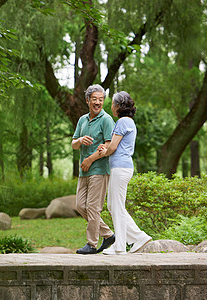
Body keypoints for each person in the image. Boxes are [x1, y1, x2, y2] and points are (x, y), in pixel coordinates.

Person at [97, 91, 152, 255]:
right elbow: (114, 146)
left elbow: (112, 147)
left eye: (113, 104)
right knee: (113, 206)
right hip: (122, 167)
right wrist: (105, 149)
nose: (111, 106)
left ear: (119, 106)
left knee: (117, 207)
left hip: (120, 167)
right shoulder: (128, 122)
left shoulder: (122, 122)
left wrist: (103, 151)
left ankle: (120, 245)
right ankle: (138, 236)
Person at [71, 84, 116, 255]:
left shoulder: (106, 119)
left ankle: (91, 244)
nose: (98, 102)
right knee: (81, 205)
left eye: (101, 99)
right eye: (94, 99)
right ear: (88, 100)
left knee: (93, 207)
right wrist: (81, 139)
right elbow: (74, 144)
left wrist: (90, 159)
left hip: (99, 168)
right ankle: (108, 234)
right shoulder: (82, 120)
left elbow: (109, 144)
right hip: (84, 170)